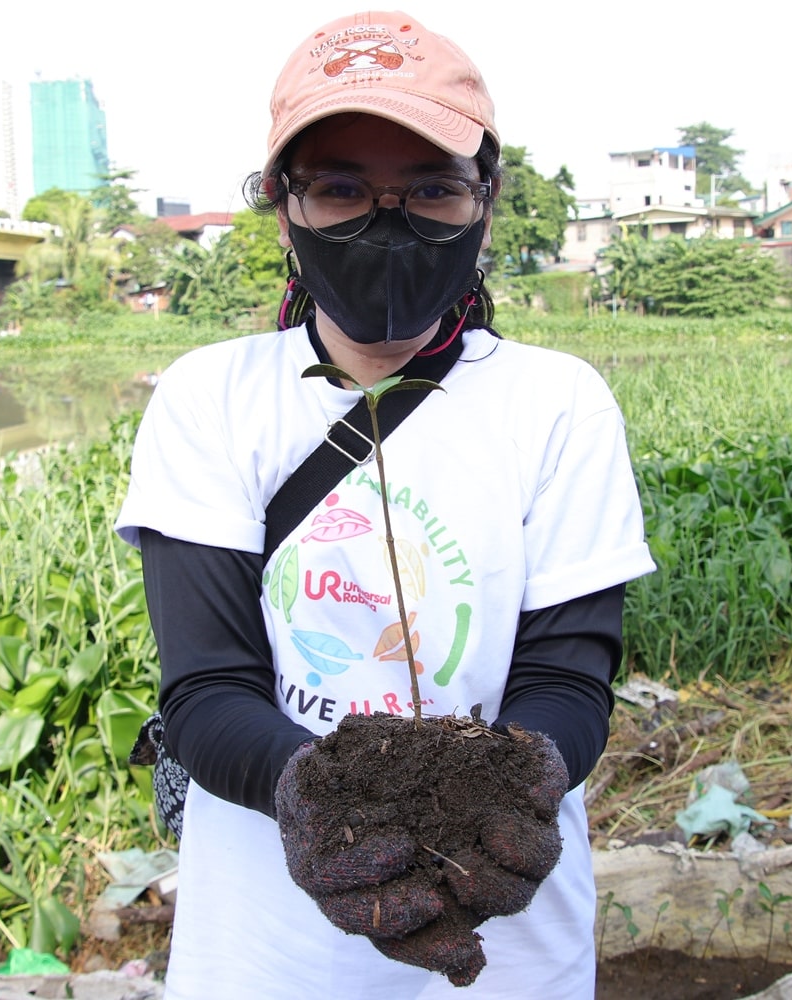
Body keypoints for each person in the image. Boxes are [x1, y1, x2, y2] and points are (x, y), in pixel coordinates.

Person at [114, 10, 655, 998]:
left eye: (433, 190)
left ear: (484, 201)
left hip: (512, 950)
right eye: (343, 189)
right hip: (266, 953)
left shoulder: (559, 403)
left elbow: (569, 680)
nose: (390, 222)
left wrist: (517, 778)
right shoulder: (210, 398)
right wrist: (314, 795)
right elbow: (206, 689)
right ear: (286, 207)